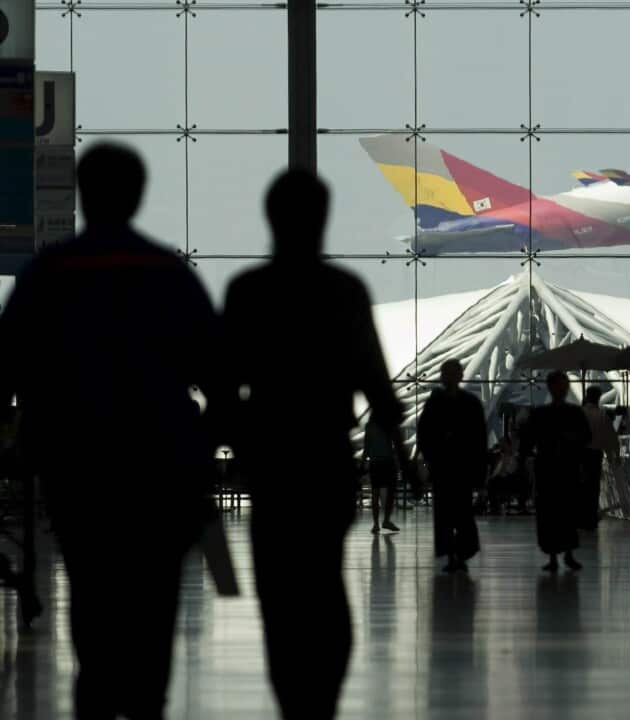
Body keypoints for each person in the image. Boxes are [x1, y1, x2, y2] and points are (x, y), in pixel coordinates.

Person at [0, 143, 227, 718]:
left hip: (78, 464)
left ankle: (96, 692)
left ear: (82, 192)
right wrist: (202, 444)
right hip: (160, 464)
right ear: (138, 195)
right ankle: (145, 699)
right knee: (153, 600)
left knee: (93, 591)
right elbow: (221, 378)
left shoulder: (47, 274)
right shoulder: (169, 274)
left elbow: (5, 364)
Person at [222, 169, 409, 719]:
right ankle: (322, 700)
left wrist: (236, 445)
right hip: (326, 460)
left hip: (272, 464)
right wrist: (402, 453)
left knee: (279, 593)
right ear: (323, 220)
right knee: (325, 582)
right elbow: (377, 382)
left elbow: (223, 381)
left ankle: (292, 701)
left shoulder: (247, 292)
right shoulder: (344, 291)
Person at [417, 358, 486, 573]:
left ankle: (457, 554)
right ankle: (456, 555)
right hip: (448, 467)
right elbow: (478, 438)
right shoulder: (467, 402)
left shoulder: (439, 402)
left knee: (456, 513)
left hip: (454, 467)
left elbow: (425, 434)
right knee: (451, 513)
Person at [520, 371, 590, 572]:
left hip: (554, 468)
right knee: (558, 511)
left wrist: (524, 458)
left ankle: (557, 555)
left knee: (558, 512)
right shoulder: (573, 413)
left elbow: (528, 440)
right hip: (559, 469)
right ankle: (562, 554)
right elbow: (585, 438)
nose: (563, 389)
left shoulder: (542, 414)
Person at [580, 386, 619, 531]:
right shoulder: (602, 415)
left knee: (580, 486)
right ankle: (590, 518)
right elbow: (611, 439)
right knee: (593, 487)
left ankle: (579, 517)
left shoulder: (579, 414)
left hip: (579, 455)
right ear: (598, 398)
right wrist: (613, 455)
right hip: (595, 455)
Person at [363, 419, 401, 534]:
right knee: (390, 491)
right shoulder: (388, 423)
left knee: (375, 493)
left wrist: (363, 462)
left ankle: (376, 524)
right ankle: (386, 520)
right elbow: (395, 444)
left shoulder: (370, 425)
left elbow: (366, 445)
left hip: (375, 462)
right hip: (387, 461)